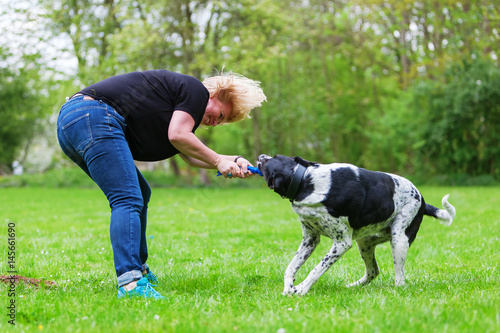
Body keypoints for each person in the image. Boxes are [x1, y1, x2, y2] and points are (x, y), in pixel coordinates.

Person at [56, 69, 266, 299]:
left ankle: (139, 269)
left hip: (73, 123)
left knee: (140, 193)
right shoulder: (197, 91)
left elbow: (189, 156)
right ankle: (131, 283)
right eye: (222, 115)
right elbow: (178, 136)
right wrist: (217, 160)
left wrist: (232, 160)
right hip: (93, 116)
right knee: (126, 197)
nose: (216, 123)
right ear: (218, 94)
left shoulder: (182, 108)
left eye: (221, 122)